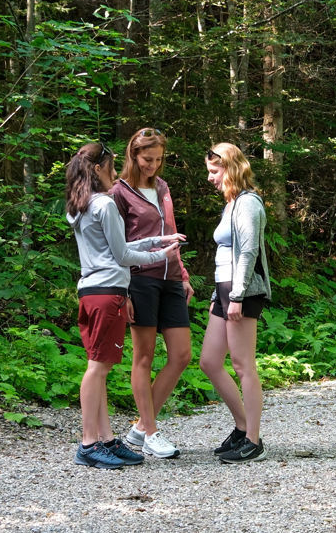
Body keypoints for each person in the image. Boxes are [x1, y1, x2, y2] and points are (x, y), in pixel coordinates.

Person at [65, 142, 186, 470]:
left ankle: (104, 439)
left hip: (90, 290)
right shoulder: (104, 204)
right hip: (108, 292)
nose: (115, 172)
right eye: (111, 166)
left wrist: (154, 241)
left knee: (97, 365)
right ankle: (89, 443)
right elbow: (120, 255)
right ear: (97, 169)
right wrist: (160, 256)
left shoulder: (79, 206)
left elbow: (113, 246)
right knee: (98, 368)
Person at [108, 127, 194, 459]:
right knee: (143, 356)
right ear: (133, 154)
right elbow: (115, 246)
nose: (153, 166)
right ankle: (151, 431)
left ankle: (140, 428)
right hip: (139, 279)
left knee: (182, 354)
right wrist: (124, 288)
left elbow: (170, 233)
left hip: (171, 276)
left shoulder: (162, 187)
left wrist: (183, 274)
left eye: (158, 159)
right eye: (147, 159)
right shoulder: (119, 192)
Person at [196, 142, 272, 464]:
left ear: (229, 167)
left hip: (243, 291)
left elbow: (248, 252)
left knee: (243, 366)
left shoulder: (249, 204)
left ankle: (253, 440)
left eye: (215, 172)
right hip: (224, 289)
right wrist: (221, 294)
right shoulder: (231, 204)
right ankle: (242, 427)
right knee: (210, 361)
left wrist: (237, 296)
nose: (211, 178)